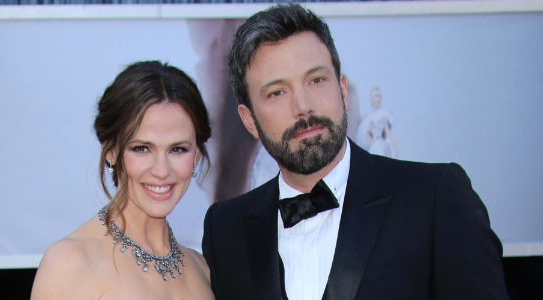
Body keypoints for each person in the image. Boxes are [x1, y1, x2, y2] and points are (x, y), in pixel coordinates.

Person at [202, 3, 509, 300]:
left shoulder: (434, 197)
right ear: (249, 120)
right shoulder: (226, 227)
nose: (303, 106)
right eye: (277, 92)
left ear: (343, 90)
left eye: (317, 79)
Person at [31, 61, 214, 300]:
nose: (161, 170)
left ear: (196, 156)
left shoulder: (201, 269)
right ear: (111, 151)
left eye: (177, 149)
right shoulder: (70, 263)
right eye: (141, 148)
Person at [356, 86, 398, 158]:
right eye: (375, 97)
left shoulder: (384, 114)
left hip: (381, 146)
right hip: (373, 148)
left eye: (378, 97)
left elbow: (388, 134)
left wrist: (394, 148)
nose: (377, 100)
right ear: (372, 99)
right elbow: (367, 139)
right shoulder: (367, 118)